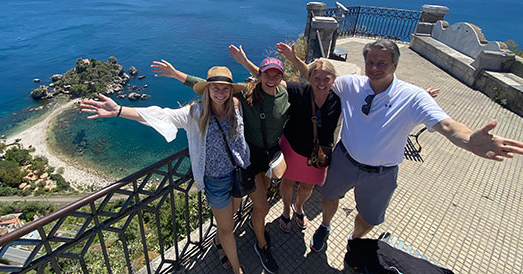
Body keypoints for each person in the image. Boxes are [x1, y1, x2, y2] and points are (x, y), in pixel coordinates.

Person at [285, 38, 523, 253]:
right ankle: (325, 226)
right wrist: (295, 60)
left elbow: (446, 125)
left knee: (368, 218)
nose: (375, 68)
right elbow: (316, 78)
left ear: (395, 65)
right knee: (329, 197)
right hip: (345, 161)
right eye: (371, 62)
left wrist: (469, 140)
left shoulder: (413, 96)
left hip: (381, 174)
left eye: (383, 63)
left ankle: (354, 238)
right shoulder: (350, 84)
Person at [80, 66, 248, 274]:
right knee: (227, 228)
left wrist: (179, 74)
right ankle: (236, 268)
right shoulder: (195, 113)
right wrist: (120, 111)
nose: (220, 93)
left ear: (231, 91)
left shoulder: (235, 105)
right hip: (216, 181)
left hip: (239, 174)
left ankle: (218, 242)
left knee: (229, 220)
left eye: (225, 88)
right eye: (215, 88)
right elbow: (162, 115)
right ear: (207, 89)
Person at [151, 58, 289, 273]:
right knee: (241, 216)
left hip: (250, 165)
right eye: (266, 74)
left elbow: (218, 88)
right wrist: (177, 74)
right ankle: (250, 251)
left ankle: (222, 241)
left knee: (235, 215)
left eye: (276, 75)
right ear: (259, 75)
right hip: (236, 170)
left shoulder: (272, 96)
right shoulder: (239, 98)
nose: (271, 79)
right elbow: (208, 90)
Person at [228, 43, 341, 232]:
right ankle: (287, 209)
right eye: (316, 78)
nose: (321, 82)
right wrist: (245, 62)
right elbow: (268, 79)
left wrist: (293, 59)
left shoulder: (338, 98)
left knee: (307, 187)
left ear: (333, 80)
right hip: (293, 148)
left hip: (319, 154)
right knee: (287, 183)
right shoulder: (299, 91)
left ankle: (299, 207)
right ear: (309, 78)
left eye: (326, 79)